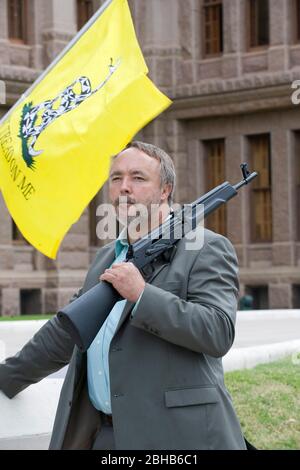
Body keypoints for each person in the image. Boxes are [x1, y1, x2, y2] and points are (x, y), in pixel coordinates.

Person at [0, 141, 247, 450]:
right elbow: (66, 332)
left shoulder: (206, 248)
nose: (124, 188)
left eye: (138, 177)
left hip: (177, 438)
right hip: (104, 435)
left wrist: (142, 295)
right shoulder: (106, 258)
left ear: (165, 190)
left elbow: (218, 332)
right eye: (116, 178)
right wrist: (6, 377)